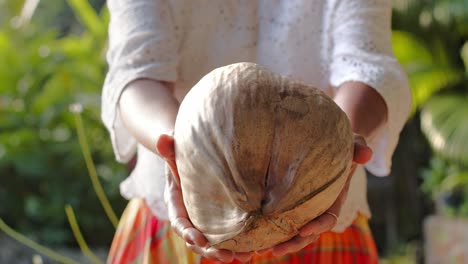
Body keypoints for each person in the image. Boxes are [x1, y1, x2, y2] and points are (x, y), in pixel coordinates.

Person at [101, 0, 411, 263]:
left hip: (317, 220)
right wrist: (185, 150)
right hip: (182, 211)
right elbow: (136, 73)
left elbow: (367, 65)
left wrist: (336, 150)